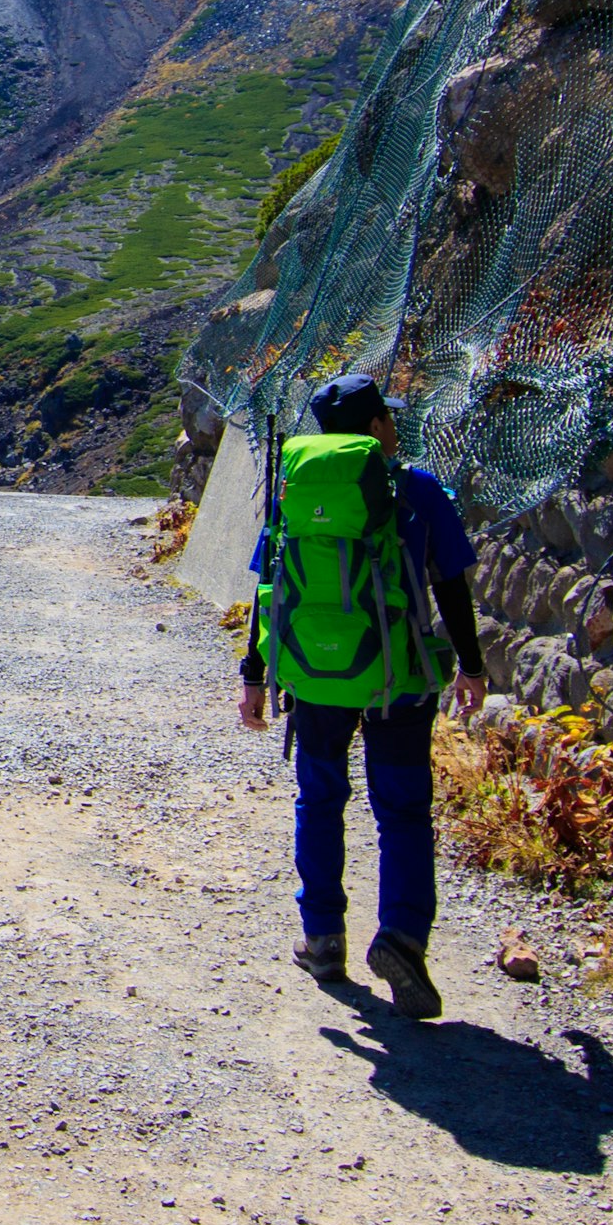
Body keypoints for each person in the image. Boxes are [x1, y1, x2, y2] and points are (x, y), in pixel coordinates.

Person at [235, 372, 488, 1018]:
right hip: (396, 680)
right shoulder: (416, 490)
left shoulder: (295, 489)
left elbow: (271, 589)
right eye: (389, 418)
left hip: (316, 678)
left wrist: (255, 674)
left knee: (319, 798)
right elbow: (452, 585)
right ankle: (402, 937)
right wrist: (472, 665)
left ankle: (322, 938)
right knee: (401, 810)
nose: (395, 428)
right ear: (376, 427)